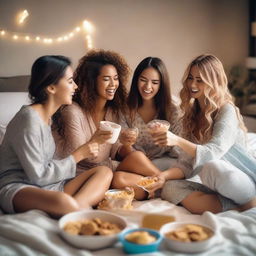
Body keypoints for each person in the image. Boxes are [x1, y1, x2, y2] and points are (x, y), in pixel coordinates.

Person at [0, 55, 113, 217]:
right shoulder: (28, 120)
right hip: (19, 187)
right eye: (69, 81)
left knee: (104, 172)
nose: (75, 87)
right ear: (51, 88)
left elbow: (47, 167)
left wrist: (94, 141)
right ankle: (75, 210)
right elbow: (38, 175)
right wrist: (78, 155)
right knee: (62, 202)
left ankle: (78, 208)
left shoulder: (48, 117)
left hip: (50, 185)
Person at [151, 54, 256, 214]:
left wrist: (176, 140)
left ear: (213, 82)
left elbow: (213, 153)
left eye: (200, 80)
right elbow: (186, 163)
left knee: (211, 167)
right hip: (214, 183)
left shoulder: (226, 110)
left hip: (241, 180)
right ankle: (237, 206)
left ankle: (249, 200)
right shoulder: (191, 114)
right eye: (190, 78)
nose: (192, 84)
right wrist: (163, 176)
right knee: (170, 187)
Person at [53, 50, 160, 200]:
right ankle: (161, 188)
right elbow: (85, 157)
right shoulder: (72, 112)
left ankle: (164, 182)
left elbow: (115, 150)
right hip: (80, 178)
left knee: (135, 157)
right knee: (115, 176)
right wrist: (97, 140)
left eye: (115, 78)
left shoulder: (112, 111)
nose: (113, 84)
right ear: (92, 81)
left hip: (106, 171)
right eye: (106, 79)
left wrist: (126, 144)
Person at [119, 57, 190, 198]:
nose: (147, 87)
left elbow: (179, 151)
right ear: (136, 80)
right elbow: (124, 152)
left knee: (126, 173)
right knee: (118, 177)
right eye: (143, 80)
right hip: (136, 165)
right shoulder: (125, 108)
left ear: (162, 85)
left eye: (155, 82)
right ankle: (163, 186)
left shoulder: (173, 109)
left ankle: (160, 183)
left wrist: (167, 139)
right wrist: (126, 144)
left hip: (165, 163)